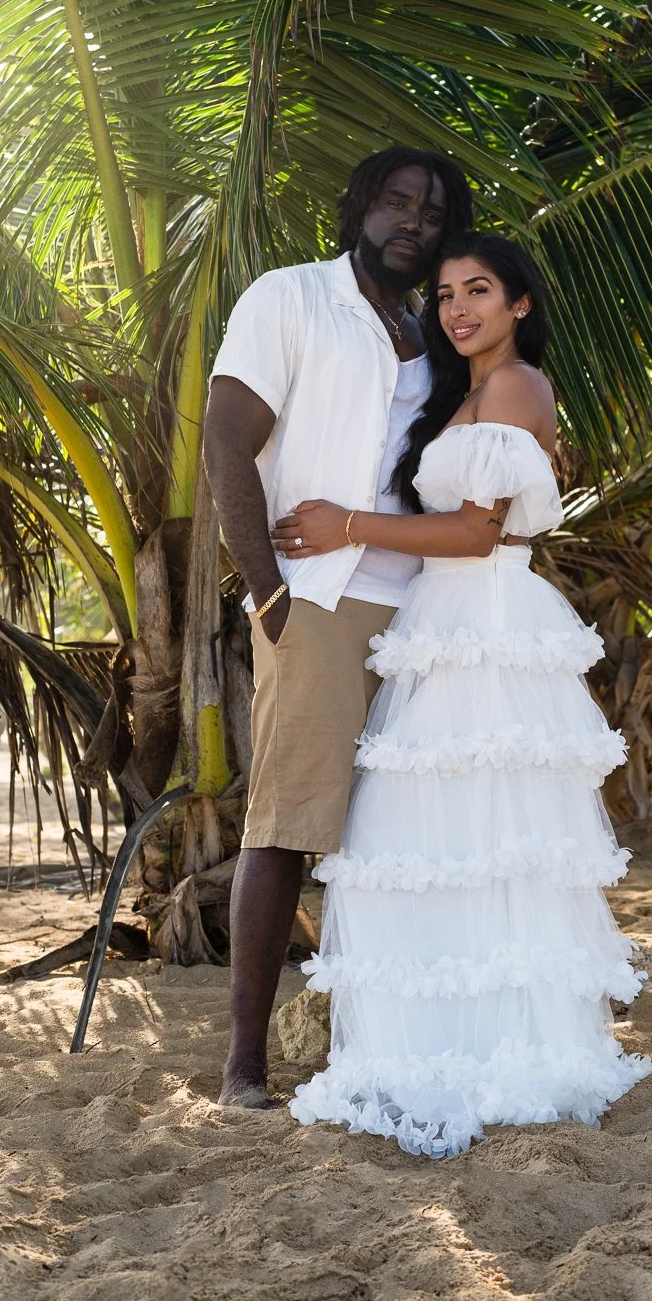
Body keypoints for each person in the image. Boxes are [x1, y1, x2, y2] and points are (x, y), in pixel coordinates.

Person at [271, 234, 652, 1155]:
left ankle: (496, 1052)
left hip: (485, 618)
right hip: (440, 620)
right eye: (444, 294)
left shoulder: (519, 387)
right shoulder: (462, 394)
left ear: (521, 304)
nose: (457, 308)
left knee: (481, 831)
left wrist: (347, 527)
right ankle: (432, 1045)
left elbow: (480, 535)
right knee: (423, 833)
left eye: (478, 290)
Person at [203, 145, 474, 1109]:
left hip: (429, 605)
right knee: (288, 822)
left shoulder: (437, 326)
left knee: (403, 833)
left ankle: (389, 1041)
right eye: (397, 202)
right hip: (319, 597)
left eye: (431, 213)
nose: (412, 221)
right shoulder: (292, 297)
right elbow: (226, 439)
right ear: (359, 206)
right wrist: (268, 589)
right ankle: (244, 1066)